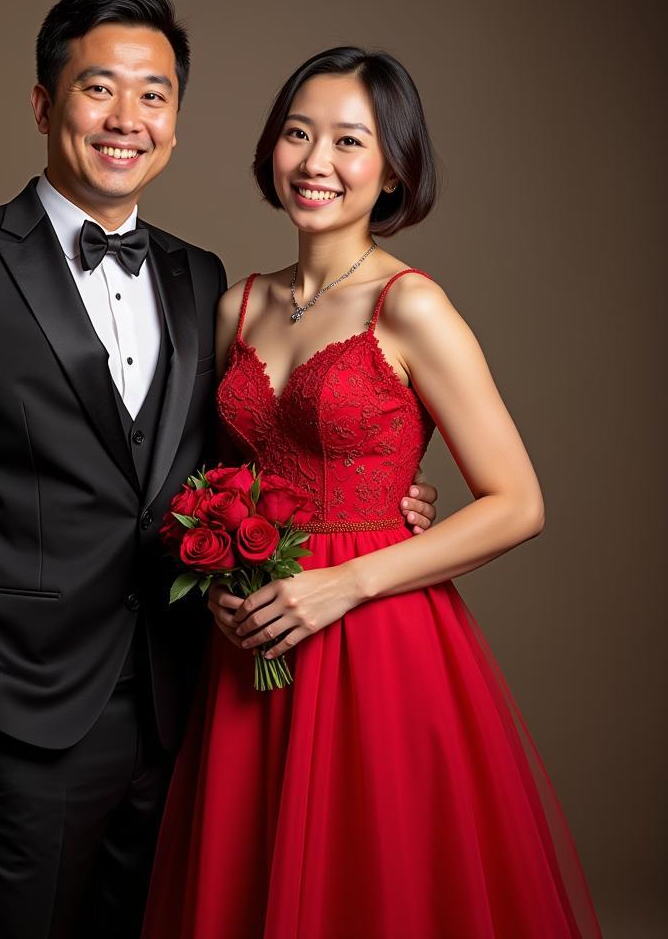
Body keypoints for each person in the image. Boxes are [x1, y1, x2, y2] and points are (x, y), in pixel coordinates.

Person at [0, 0, 438, 938]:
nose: (127, 120)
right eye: (99, 89)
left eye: (154, 95)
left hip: (185, 706)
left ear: (175, 119)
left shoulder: (201, 278)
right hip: (15, 711)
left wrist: (378, 495)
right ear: (44, 105)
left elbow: (236, 458)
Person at [142, 47, 602, 938]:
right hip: (258, 646)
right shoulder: (235, 305)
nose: (316, 162)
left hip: (379, 636)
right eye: (298, 134)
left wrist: (346, 579)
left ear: (393, 167)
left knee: (374, 885)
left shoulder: (411, 305)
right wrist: (218, 598)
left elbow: (518, 501)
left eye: (349, 141)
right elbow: (202, 481)